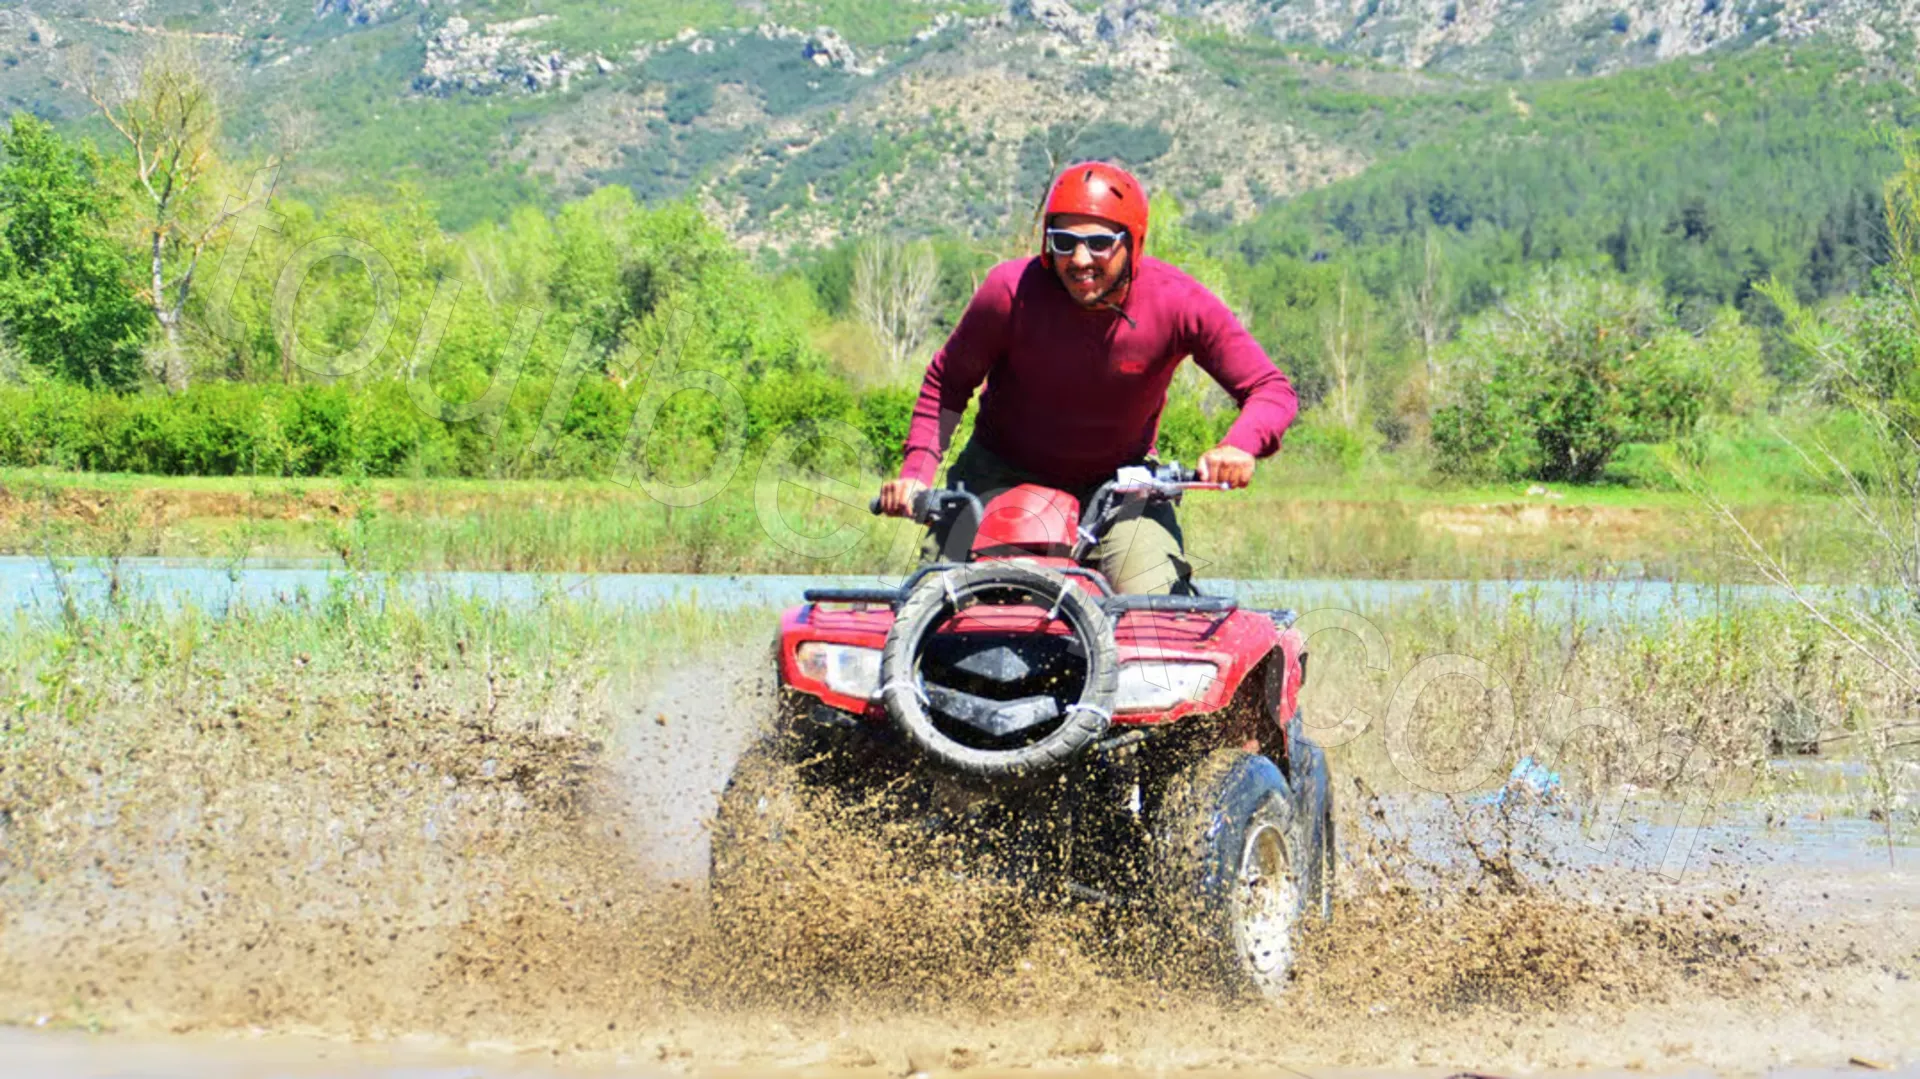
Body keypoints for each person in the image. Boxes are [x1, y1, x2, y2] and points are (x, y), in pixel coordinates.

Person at [874, 161, 1298, 594]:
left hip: (1121, 489)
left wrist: (1239, 445)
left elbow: (1270, 389)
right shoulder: (1009, 291)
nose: (1079, 260)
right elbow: (946, 383)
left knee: (1155, 613)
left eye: (1099, 243)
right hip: (997, 474)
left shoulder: (1179, 302)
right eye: (1064, 242)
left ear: (1133, 243)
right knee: (933, 600)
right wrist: (916, 473)